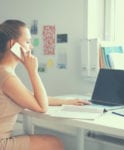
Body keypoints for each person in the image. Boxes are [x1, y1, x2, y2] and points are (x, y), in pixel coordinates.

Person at [0, 19, 90, 150]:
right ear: (13, 44)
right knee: (55, 143)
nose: (30, 47)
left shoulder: (4, 73)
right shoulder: (7, 77)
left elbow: (32, 98)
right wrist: (33, 72)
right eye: (27, 42)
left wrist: (68, 101)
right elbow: (41, 107)